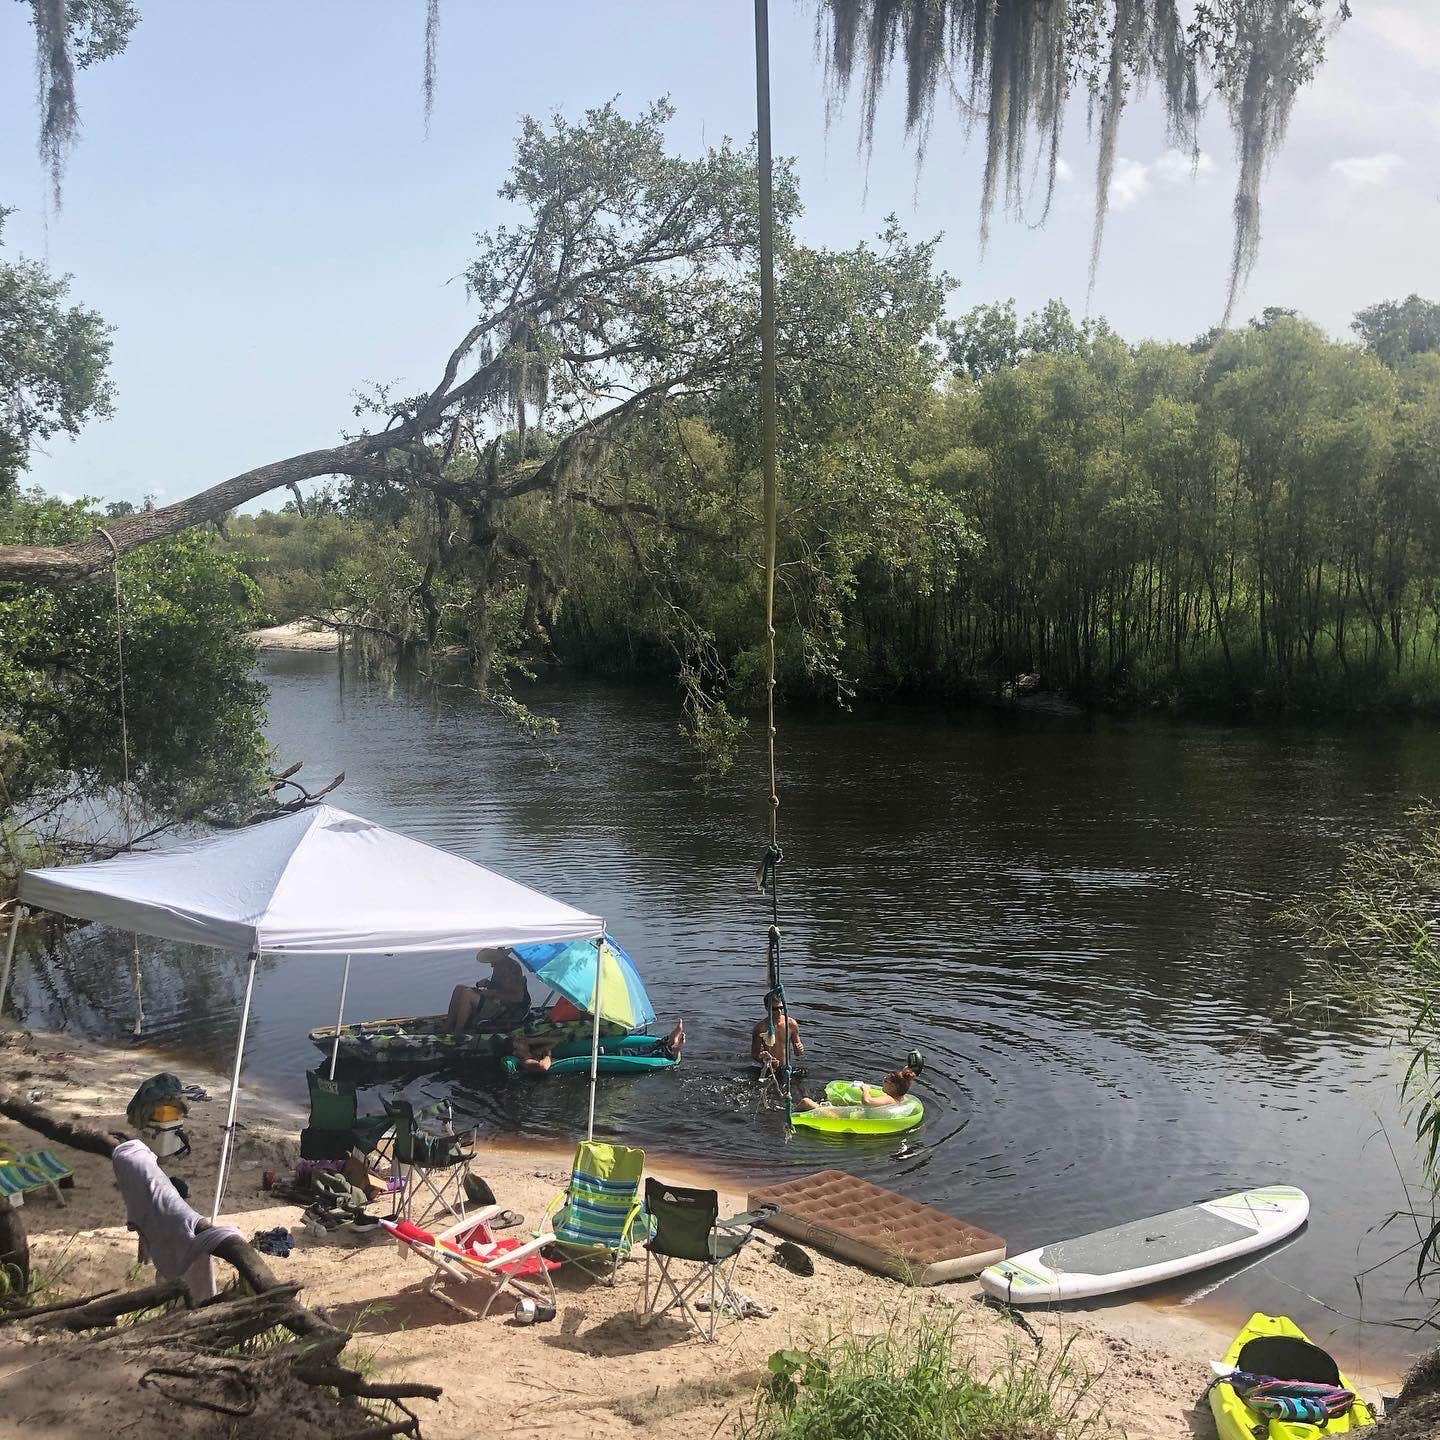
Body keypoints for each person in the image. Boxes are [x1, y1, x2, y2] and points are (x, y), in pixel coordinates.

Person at [511, 1017, 687, 1075]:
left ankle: (667, 1041)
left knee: (626, 1050)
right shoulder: (525, 1060)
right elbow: (543, 1067)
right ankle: (669, 1051)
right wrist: (547, 1053)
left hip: (566, 1054)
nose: (522, 1043)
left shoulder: (528, 1052)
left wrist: (533, 1043)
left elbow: (554, 1041)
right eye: (519, 1044)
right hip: (567, 1063)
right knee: (627, 1054)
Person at [445, 949, 530, 1036]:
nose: (491, 964)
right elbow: (499, 986)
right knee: (459, 988)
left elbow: (518, 998)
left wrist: (493, 993)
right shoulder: (499, 966)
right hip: (496, 1000)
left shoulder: (512, 969)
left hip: (507, 1009)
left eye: (492, 960)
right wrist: (487, 984)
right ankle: (448, 1026)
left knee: (467, 994)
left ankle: (458, 1032)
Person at [795, 1065, 916, 1113]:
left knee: (805, 1102)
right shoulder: (901, 1098)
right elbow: (904, 1080)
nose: (883, 1081)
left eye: (886, 1080)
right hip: (861, 1115)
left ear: (894, 1086)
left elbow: (867, 1102)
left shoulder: (889, 1099)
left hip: (844, 1120)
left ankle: (790, 1116)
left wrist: (865, 1089)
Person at [752, 998, 803, 1071]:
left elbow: (798, 1052)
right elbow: (754, 1054)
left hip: (786, 1068)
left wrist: (799, 1049)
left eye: (781, 1008)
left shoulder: (791, 1024)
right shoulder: (760, 1028)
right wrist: (765, 1059)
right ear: (767, 1008)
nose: (779, 1011)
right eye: (774, 1009)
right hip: (769, 1068)